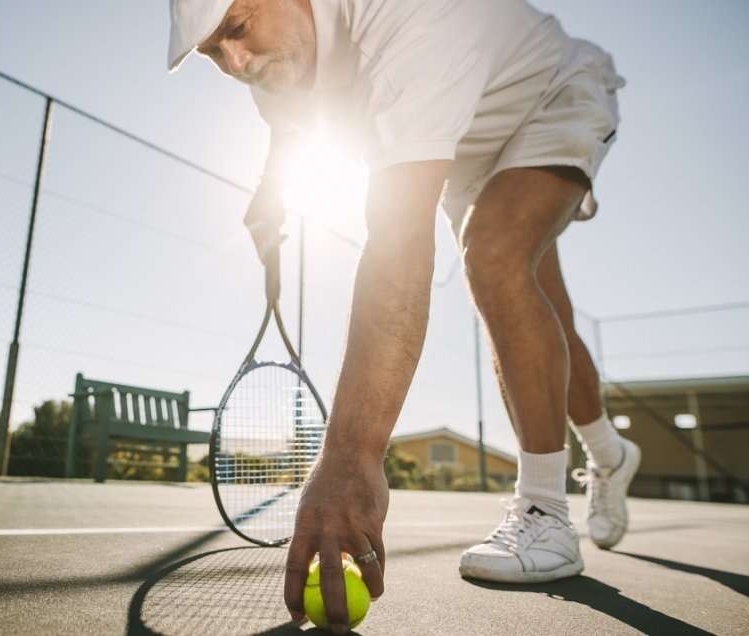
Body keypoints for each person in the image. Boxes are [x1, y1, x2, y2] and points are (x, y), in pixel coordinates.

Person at [167, 0, 641, 631]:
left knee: (494, 259)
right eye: (212, 54)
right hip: (470, 138)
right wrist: (270, 196)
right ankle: (609, 453)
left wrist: (349, 457)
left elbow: (398, 244)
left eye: (238, 27)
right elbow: (290, 127)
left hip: (550, 92)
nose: (235, 60)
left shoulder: (412, 23)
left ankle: (546, 514)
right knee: (538, 301)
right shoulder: (276, 61)